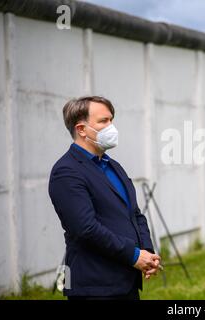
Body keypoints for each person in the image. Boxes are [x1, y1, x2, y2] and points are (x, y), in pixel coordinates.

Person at [48, 96, 161, 300]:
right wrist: (134, 255)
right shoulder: (66, 171)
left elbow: (134, 214)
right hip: (95, 286)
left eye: (111, 120)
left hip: (125, 281)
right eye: (103, 121)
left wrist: (146, 252)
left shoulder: (113, 166)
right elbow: (86, 228)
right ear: (81, 129)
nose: (111, 127)